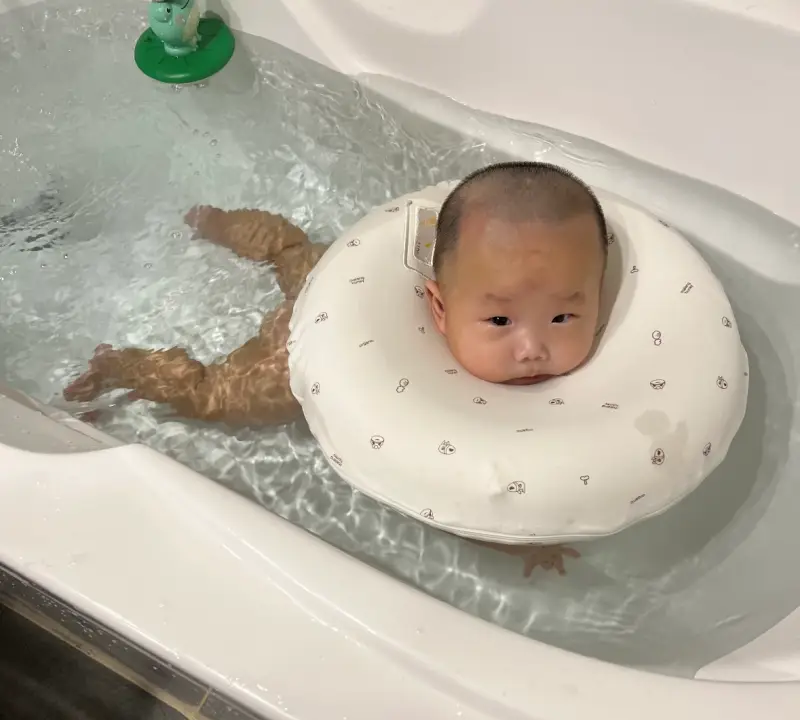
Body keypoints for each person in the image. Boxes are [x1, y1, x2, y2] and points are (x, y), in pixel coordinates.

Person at [64, 161, 608, 576]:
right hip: (323, 339)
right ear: (439, 309)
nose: (532, 349)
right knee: (212, 397)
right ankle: (120, 364)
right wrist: (514, 543)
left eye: (563, 317)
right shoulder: (331, 357)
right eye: (500, 320)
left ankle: (220, 223)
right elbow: (439, 487)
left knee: (293, 253)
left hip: (335, 277)